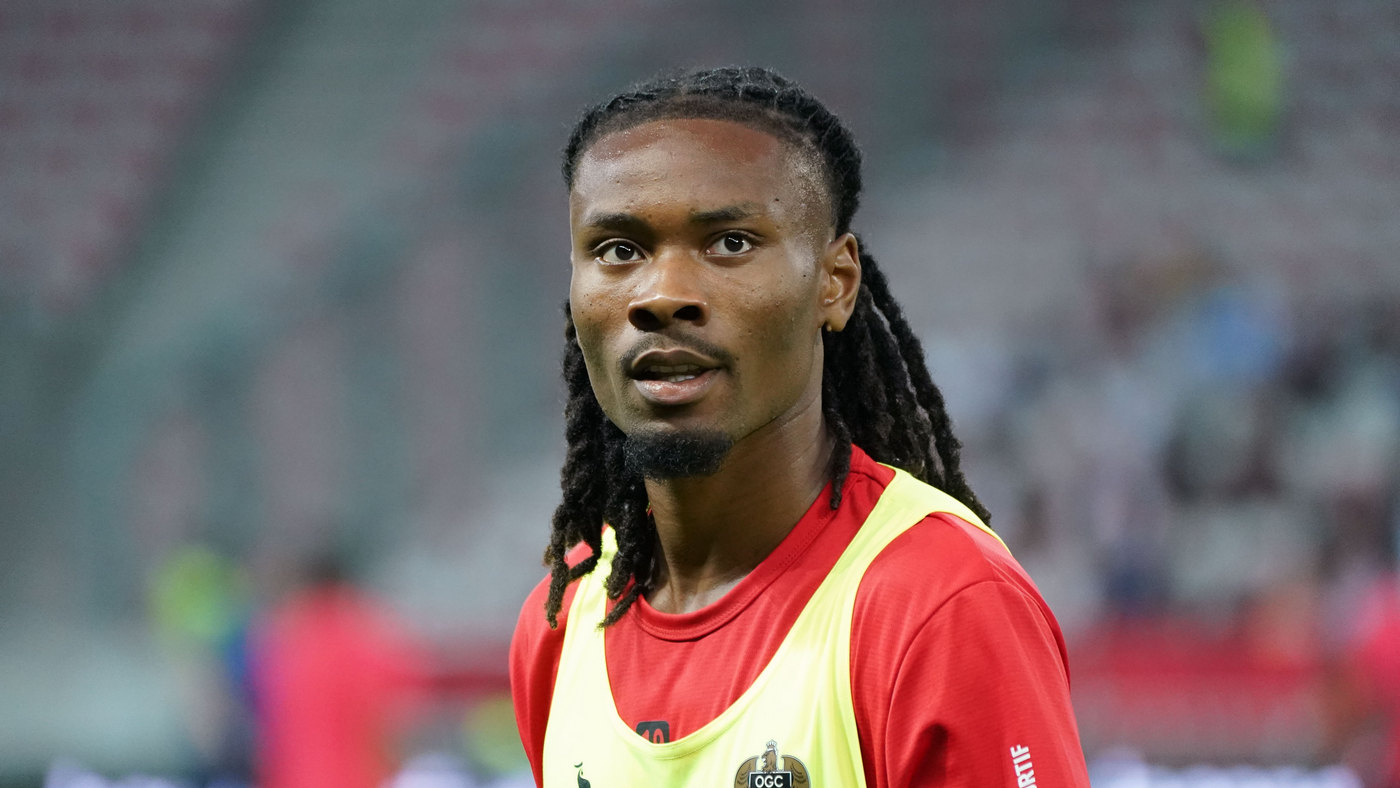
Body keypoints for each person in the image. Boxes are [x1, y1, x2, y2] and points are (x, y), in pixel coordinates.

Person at [510, 66, 1090, 787]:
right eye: (619, 250)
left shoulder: (940, 604)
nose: (661, 295)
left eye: (729, 242)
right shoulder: (562, 620)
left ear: (834, 282)